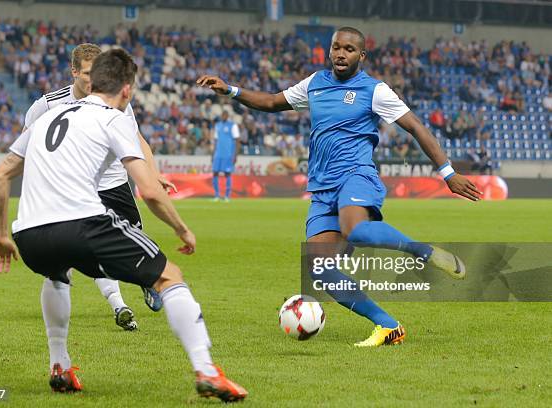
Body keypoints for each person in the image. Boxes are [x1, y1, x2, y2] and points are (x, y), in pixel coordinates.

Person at [0, 49, 247, 402]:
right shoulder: (115, 117)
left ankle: (60, 365)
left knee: (57, 275)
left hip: (29, 234)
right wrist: (181, 228)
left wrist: (1, 234)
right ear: (126, 89)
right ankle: (207, 372)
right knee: (170, 276)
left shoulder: (48, 115)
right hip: (82, 223)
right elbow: (150, 191)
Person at [197, 27, 482, 347]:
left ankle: (423, 252)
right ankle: (388, 327)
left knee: (357, 230)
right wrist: (230, 90)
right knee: (320, 270)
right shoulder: (315, 83)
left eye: (348, 49)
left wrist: (447, 173)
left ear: (361, 56)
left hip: (356, 175)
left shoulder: (375, 90)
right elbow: (272, 101)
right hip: (322, 188)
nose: (340, 54)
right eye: (336, 47)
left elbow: (415, 127)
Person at [23, 43, 175, 331]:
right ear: (74, 71)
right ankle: (119, 305)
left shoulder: (116, 102)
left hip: (116, 181)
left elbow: (137, 138)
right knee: (89, 249)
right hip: (75, 187)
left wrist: (153, 174)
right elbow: (28, 144)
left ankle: (144, 281)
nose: (92, 79)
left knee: (133, 240)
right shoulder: (48, 104)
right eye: (87, 73)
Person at [211, 110, 239, 202]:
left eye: (225, 115)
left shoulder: (233, 125)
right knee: (215, 173)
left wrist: (235, 154)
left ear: (227, 116)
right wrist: (213, 154)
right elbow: (215, 140)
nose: (223, 116)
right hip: (218, 153)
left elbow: (237, 140)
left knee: (227, 174)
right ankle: (216, 195)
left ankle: (227, 196)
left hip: (228, 154)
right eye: (222, 115)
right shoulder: (217, 125)